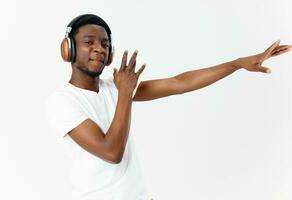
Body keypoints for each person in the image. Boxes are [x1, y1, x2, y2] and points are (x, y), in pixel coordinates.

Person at [45, 14, 291, 200]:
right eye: (89, 42)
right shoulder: (64, 101)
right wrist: (126, 93)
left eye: (105, 44)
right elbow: (112, 152)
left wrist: (237, 64)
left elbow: (178, 83)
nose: (100, 48)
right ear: (69, 49)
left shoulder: (114, 89)